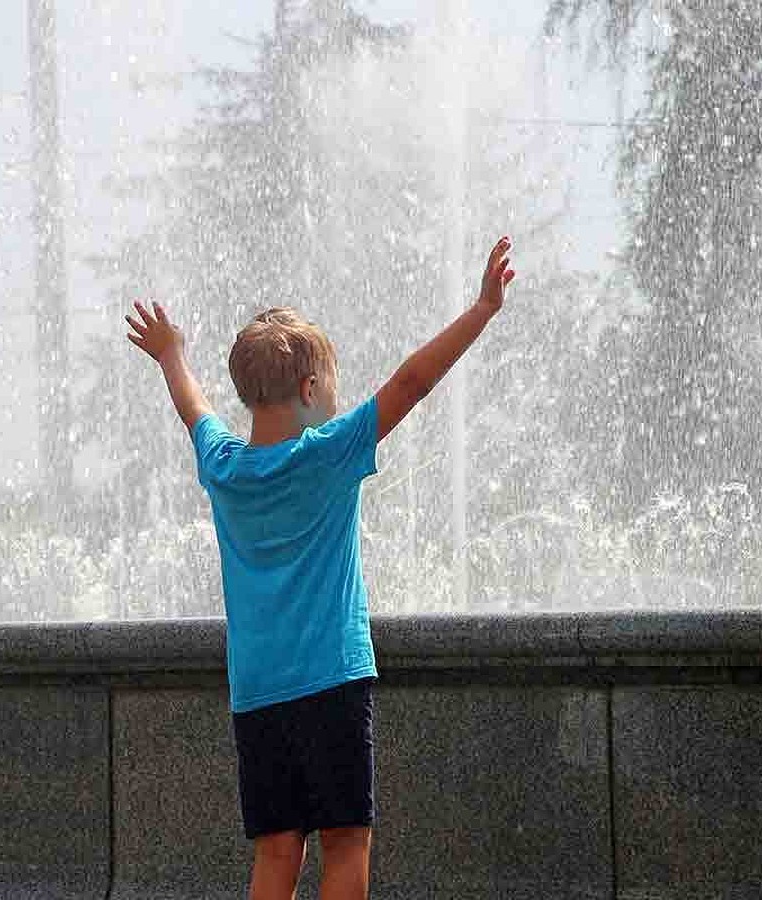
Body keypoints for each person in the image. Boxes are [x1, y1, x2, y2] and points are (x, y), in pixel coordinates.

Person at [125, 237, 516, 900]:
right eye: (330, 385)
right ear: (309, 389)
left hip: (257, 690)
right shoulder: (330, 453)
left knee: (277, 850)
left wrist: (170, 354)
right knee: (345, 842)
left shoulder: (222, 465)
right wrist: (482, 307)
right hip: (332, 678)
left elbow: (193, 408)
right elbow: (412, 383)